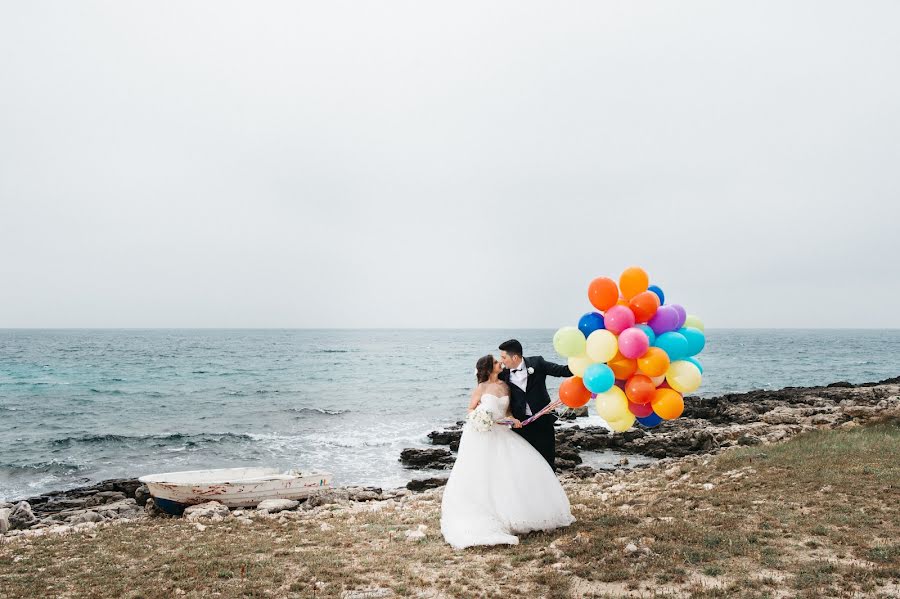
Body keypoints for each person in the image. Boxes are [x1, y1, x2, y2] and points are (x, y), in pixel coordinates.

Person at [440, 354, 575, 550]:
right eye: (496, 362)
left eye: (500, 360)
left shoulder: (505, 386)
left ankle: (517, 514)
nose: (500, 363)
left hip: (502, 433)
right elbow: (470, 410)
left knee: (512, 471)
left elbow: (508, 411)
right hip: (483, 435)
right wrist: (481, 417)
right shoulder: (481, 388)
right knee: (484, 474)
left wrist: (513, 419)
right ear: (488, 368)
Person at [497, 339, 572, 469]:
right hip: (520, 425)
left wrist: (586, 368)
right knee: (523, 462)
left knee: (548, 460)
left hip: (543, 420)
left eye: (503, 357)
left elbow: (561, 371)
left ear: (514, 357)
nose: (501, 361)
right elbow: (488, 385)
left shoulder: (537, 363)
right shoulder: (502, 374)